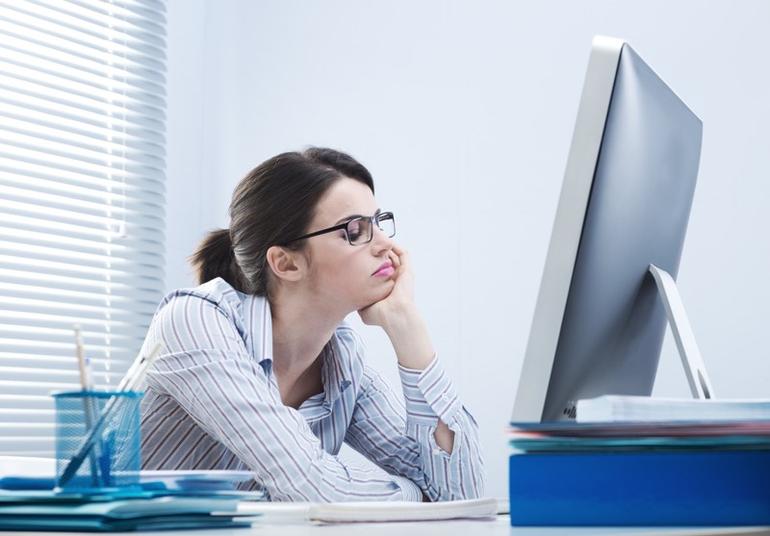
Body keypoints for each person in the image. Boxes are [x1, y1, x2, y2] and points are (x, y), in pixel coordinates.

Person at [139, 147, 485, 501]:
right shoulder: (195, 321)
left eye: (378, 223)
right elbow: (314, 489)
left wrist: (407, 328)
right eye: (355, 230)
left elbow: (464, 495)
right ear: (286, 264)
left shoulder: (343, 362)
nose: (386, 245)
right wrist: (417, 497)